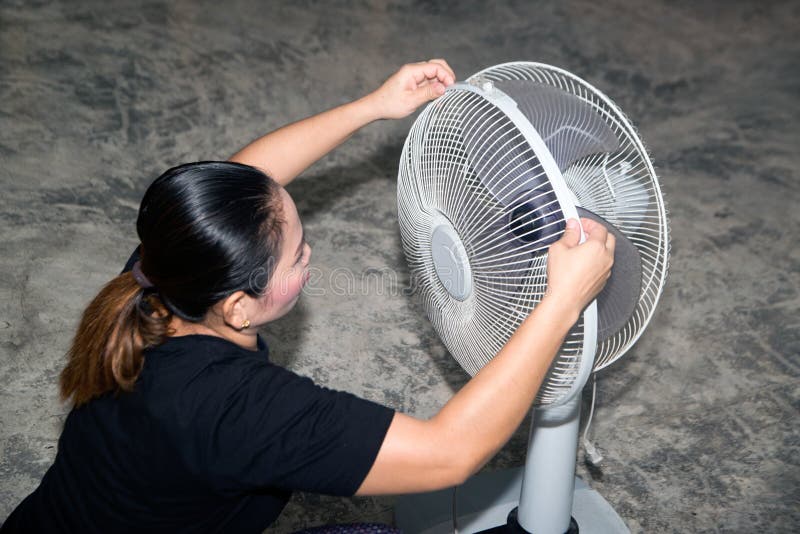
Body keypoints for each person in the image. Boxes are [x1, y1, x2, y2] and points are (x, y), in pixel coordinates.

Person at [0, 60, 615, 533]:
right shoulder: (239, 408)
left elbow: (242, 179)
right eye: (297, 255)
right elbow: (447, 455)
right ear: (239, 306)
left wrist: (375, 105)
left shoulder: (162, 274)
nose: (311, 255)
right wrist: (560, 302)